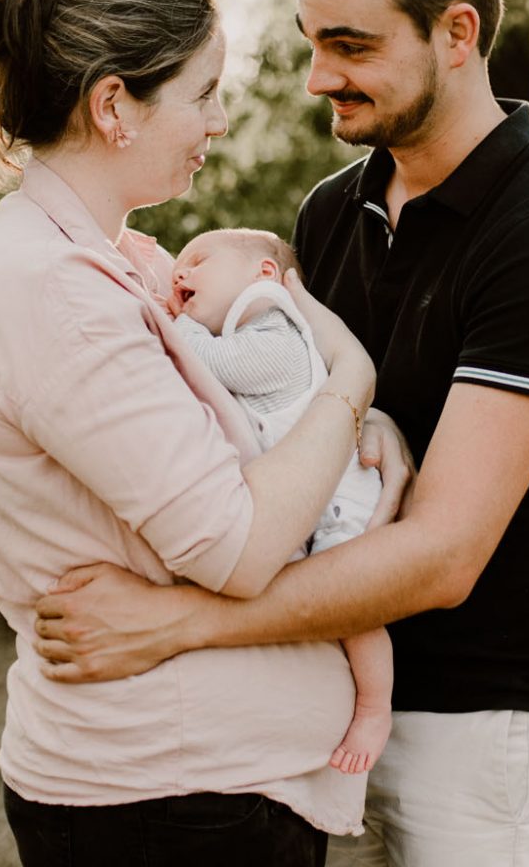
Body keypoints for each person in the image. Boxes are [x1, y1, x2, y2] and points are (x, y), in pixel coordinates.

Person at [33, 0, 529, 867]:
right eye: (313, 43)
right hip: (314, 692)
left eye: (351, 47)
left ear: (456, 34)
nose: (318, 77)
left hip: (481, 727)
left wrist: (175, 625)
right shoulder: (329, 211)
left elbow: (444, 556)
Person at [0, 0, 410, 866]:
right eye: (203, 94)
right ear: (115, 105)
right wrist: (352, 384)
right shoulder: (54, 294)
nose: (219, 122)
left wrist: (352, 425)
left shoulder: (106, 268)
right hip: (167, 801)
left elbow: (241, 446)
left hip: (197, 791)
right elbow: (236, 544)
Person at [167, 227, 394, 774]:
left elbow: (215, 365)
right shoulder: (247, 330)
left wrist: (169, 321)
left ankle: (373, 707)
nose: (180, 275)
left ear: (264, 276)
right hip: (307, 510)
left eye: (198, 261)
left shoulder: (278, 334)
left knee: (356, 612)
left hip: (343, 505)